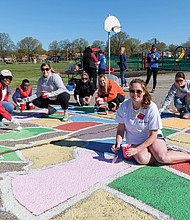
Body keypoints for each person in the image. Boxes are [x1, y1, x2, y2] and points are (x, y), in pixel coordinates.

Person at [111, 78, 190, 165]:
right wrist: (117, 144)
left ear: (144, 92)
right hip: (135, 140)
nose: (135, 94)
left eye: (139, 91)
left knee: (163, 158)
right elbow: (121, 130)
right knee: (143, 160)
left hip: (152, 138)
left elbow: (153, 135)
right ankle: (159, 153)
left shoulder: (151, 107)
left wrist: (137, 150)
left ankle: (184, 155)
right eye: (132, 91)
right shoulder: (124, 107)